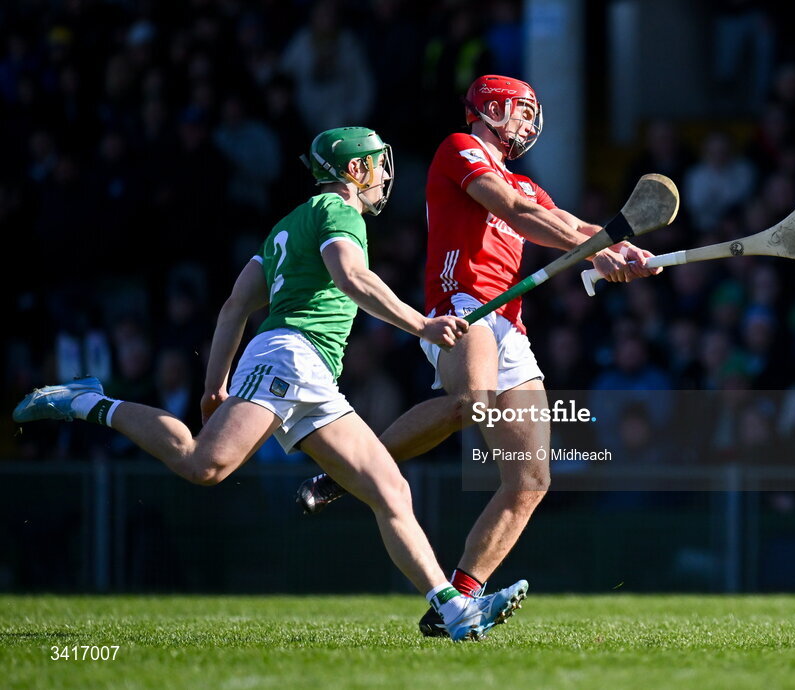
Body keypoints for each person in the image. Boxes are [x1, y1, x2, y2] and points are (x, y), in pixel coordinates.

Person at [12, 126, 527, 642]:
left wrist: (215, 386)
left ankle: (449, 610)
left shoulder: (285, 226)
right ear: (353, 171)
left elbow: (235, 306)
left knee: (390, 488)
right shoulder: (338, 212)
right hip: (291, 357)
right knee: (204, 464)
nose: (384, 175)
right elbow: (352, 278)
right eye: (376, 164)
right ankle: (88, 401)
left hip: (310, 371)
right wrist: (422, 324)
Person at [295, 75, 660, 636]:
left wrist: (619, 248)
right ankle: (349, 473)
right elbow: (513, 211)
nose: (528, 124)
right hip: (462, 307)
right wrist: (597, 248)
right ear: (489, 108)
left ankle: (459, 602)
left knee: (530, 480)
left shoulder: (526, 182)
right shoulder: (459, 149)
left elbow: (570, 224)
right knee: (472, 401)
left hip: (509, 326)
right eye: (520, 111)